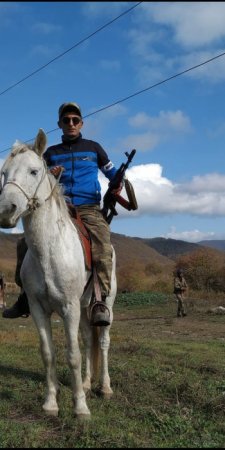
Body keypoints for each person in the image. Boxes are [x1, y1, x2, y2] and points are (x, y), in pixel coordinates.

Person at [3, 101, 122, 326]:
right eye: (66, 120)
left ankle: (101, 300)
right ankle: (25, 297)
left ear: (81, 123)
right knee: (23, 244)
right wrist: (50, 172)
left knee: (103, 244)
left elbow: (112, 173)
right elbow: (38, 179)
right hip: (60, 208)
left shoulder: (94, 147)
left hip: (88, 209)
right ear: (59, 124)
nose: (71, 123)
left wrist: (119, 182)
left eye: (75, 120)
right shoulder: (51, 153)